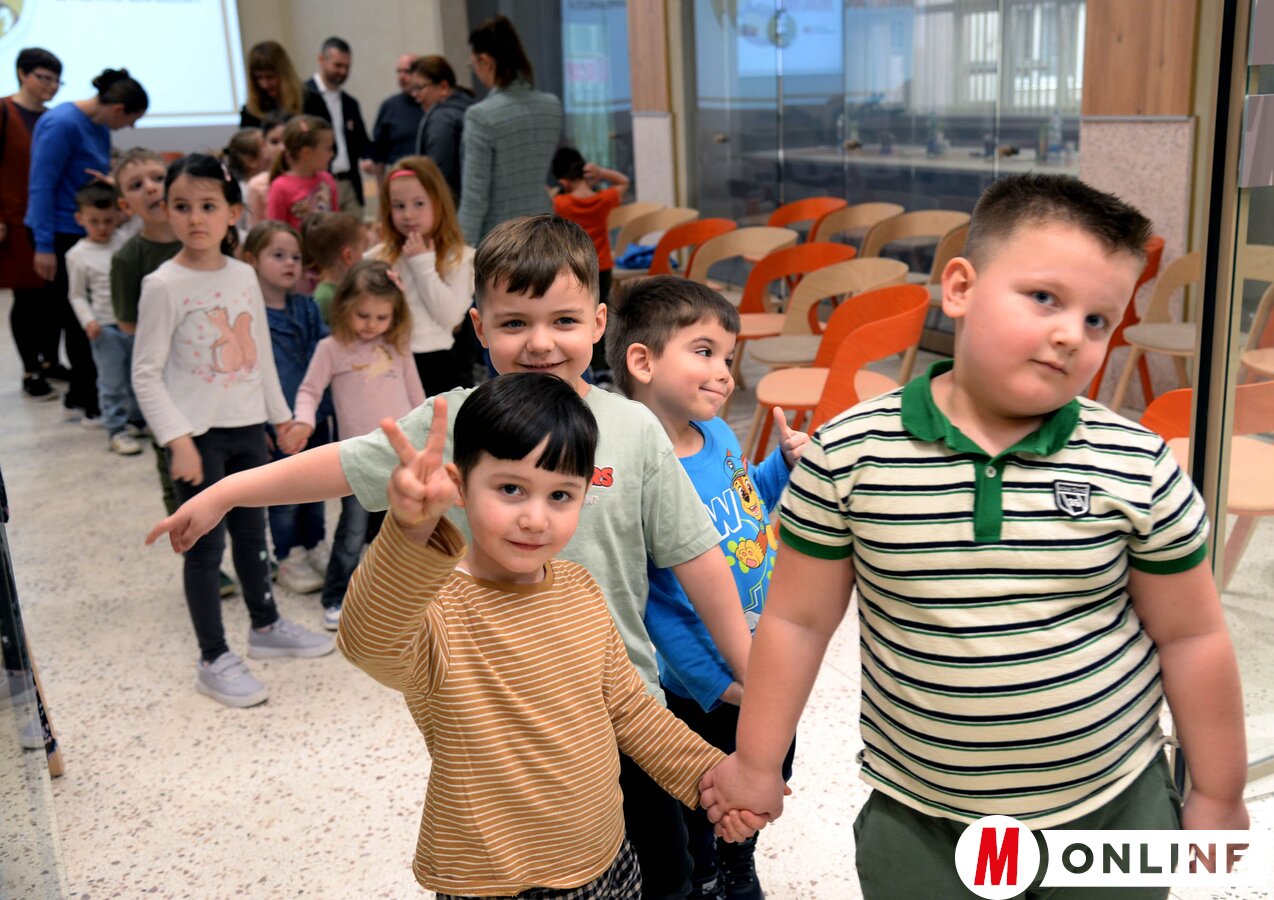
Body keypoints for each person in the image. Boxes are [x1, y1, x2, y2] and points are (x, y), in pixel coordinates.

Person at [146, 214, 755, 898]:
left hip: (623, 701)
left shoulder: (633, 428)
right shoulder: (454, 426)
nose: (540, 343)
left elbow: (695, 555)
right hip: (493, 716)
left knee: (663, 873)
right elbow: (344, 466)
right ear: (479, 326)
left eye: (562, 320)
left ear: (597, 323)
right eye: (515, 322)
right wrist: (228, 491)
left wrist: (752, 675)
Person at [700, 174, 1251, 899]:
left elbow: (1192, 638)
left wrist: (1217, 793)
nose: (1071, 333)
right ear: (960, 288)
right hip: (920, 817)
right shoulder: (849, 455)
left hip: (1112, 808)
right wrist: (757, 761)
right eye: (1045, 297)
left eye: (1098, 320)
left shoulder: (1137, 465)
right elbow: (797, 622)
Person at [340, 373, 760, 897]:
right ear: (460, 485)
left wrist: (712, 776)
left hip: (606, 854)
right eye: (510, 489)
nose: (535, 519)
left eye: (560, 494)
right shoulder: (438, 607)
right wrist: (409, 532)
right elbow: (368, 642)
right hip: (495, 879)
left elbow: (629, 709)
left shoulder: (580, 588)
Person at [607, 277, 808, 900]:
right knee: (706, 791)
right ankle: (707, 875)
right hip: (704, 685)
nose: (724, 372)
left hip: (762, 654)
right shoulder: (642, 470)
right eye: (704, 352)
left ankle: (738, 859)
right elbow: (654, 608)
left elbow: (747, 500)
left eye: (727, 356)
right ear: (642, 362)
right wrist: (716, 684)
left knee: (769, 767)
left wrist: (782, 468)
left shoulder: (716, 434)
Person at [132, 154, 333, 708]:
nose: (195, 218)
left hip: (248, 429)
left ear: (233, 213)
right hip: (198, 439)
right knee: (204, 547)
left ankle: (265, 626)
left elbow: (260, 353)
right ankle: (212, 657)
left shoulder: (243, 275)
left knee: (252, 535)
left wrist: (281, 417)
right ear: (167, 211)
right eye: (182, 206)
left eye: (208, 206)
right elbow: (145, 373)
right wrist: (177, 441)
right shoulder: (162, 284)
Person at [279, 260, 423, 631]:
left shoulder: (398, 346)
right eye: (363, 315)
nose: (372, 324)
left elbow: (416, 399)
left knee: (398, 532)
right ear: (344, 306)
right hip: (358, 460)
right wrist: (303, 421)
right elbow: (309, 391)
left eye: (381, 317)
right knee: (353, 532)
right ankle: (336, 596)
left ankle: (390, 597)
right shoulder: (332, 348)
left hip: (401, 457)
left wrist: (424, 445)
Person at [25, 67, 148, 424]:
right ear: (118, 109)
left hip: (88, 231)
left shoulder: (98, 126)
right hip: (62, 233)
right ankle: (87, 397)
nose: (128, 128)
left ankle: (92, 393)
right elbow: (41, 185)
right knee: (80, 321)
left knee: (97, 320)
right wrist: (44, 245)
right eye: (131, 120)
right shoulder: (62, 123)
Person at [242, 221, 332, 595]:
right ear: (251, 260)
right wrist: (261, 423)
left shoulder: (307, 307)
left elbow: (326, 354)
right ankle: (287, 555)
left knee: (318, 487)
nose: (290, 263)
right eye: (278, 255)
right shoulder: (247, 315)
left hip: (315, 416)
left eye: (295, 256)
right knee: (284, 496)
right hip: (278, 422)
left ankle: (315, 544)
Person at [367, 157, 475, 395]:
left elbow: (450, 316)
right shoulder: (378, 256)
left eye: (419, 204)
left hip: (439, 362)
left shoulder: (460, 257)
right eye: (399, 206)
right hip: (387, 361)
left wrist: (422, 262)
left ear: (438, 203)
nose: (408, 215)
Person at [459, 15, 563, 245]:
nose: (476, 71)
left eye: (473, 65)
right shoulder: (551, 106)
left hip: (500, 237)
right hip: (543, 228)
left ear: (485, 61)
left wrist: (461, 249)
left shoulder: (481, 115)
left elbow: (475, 197)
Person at [1, 47, 62, 401]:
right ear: (23, 74)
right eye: (44, 78)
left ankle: (51, 361)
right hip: (14, 219)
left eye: (56, 81)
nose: (51, 86)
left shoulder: (53, 118)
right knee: (26, 297)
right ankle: (30, 369)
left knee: (53, 296)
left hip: (52, 219)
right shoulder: (4, 111)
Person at [65, 182, 141, 455]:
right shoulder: (77, 255)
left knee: (138, 376)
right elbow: (76, 295)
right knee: (112, 381)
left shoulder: (123, 240)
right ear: (80, 219)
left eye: (108, 221)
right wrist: (89, 321)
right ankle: (116, 429)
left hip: (134, 323)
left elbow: (139, 217)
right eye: (94, 222)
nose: (102, 228)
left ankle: (138, 421)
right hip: (105, 328)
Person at [552, 145, 629, 381]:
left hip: (574, 266)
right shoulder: (604, 199)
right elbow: (624, 182)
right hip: (602, 265)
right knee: (599, 314)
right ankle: (603, 366)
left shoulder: (561, 203)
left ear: (564, 181)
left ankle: (581, 365)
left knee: (576, 315)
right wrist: (601, 173)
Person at [303, 37, 370, 221]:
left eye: (347, 66)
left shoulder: (350, 102)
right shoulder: (304, 96)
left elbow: (362, 141)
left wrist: (370, 157)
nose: (343, 71)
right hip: (319, 182)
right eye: (338, 65)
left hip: (350, 182)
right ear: (321, 60)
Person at [409, 55, 473, 204]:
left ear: (443, 87)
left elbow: (438, 176)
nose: (415, 95)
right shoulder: (469, 107)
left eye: (419, 88)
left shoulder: (441, 120)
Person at [266, 115, 339, 231]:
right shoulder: (280, 187)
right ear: (306, 152)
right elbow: (275, 230)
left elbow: (336, 220)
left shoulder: (327, 179)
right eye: (328, 149)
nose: (332, 154)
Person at [302, 211, 367, 325]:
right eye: (363, 250)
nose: (364, 257)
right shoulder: (324, 298)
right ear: (348, 256)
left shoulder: (351, 287)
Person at [367, 53, 423, 184]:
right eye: (399, 72)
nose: (401, 77)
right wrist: (382, 189)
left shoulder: (429, 104)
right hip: (400, 178)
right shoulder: (389, 107)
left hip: (428, 177)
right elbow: (379, 155)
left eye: (407, 72)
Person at [240, 40, 304, 129]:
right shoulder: (250, 111)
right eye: (259, 78)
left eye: (270, 77)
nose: (265, 85)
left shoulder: (310, 101)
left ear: (284, 74)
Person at [244, 110, 291, 229]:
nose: (282, 148)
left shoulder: (313, 177)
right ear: (263, 144)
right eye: (274, 142)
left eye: (287, 141)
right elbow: (255, 229)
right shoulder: (257, 185)